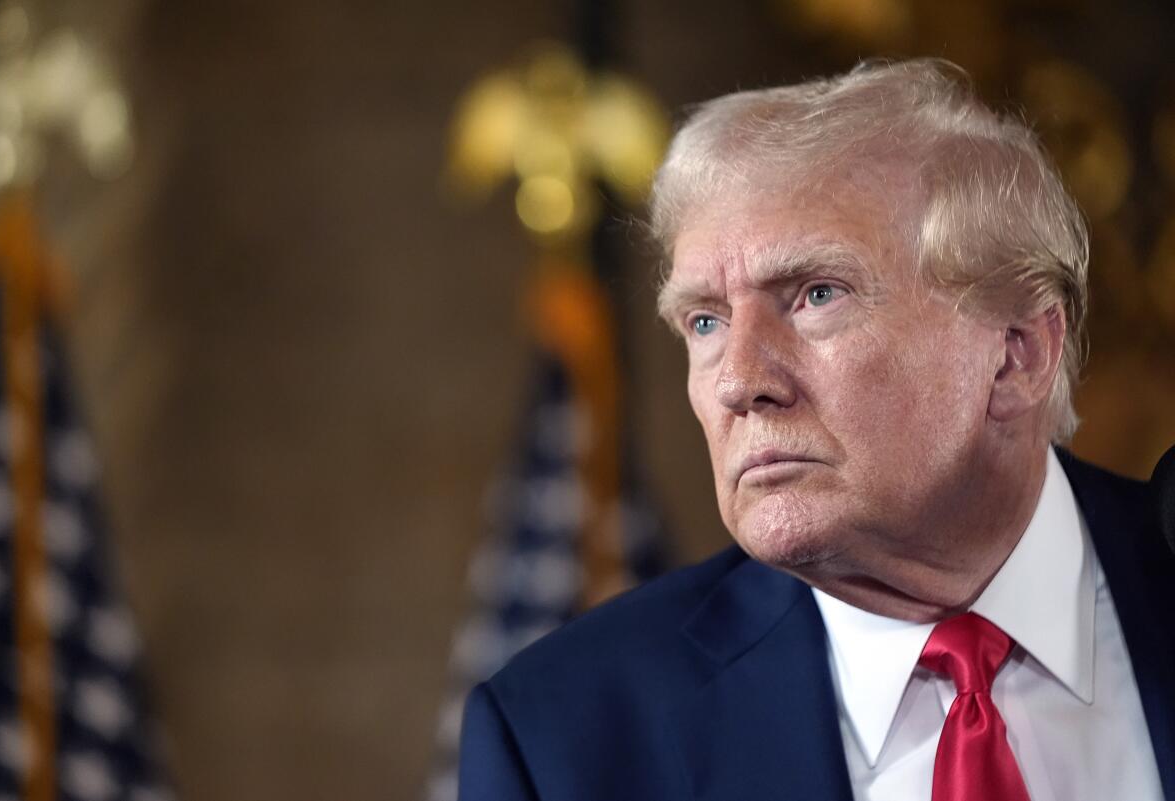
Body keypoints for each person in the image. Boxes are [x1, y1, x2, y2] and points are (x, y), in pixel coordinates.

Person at [457, 59, 1175, 801]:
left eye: (815, 295)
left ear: (1016, 354)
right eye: (705, 320)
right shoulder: (564, 740)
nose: (738, 381)